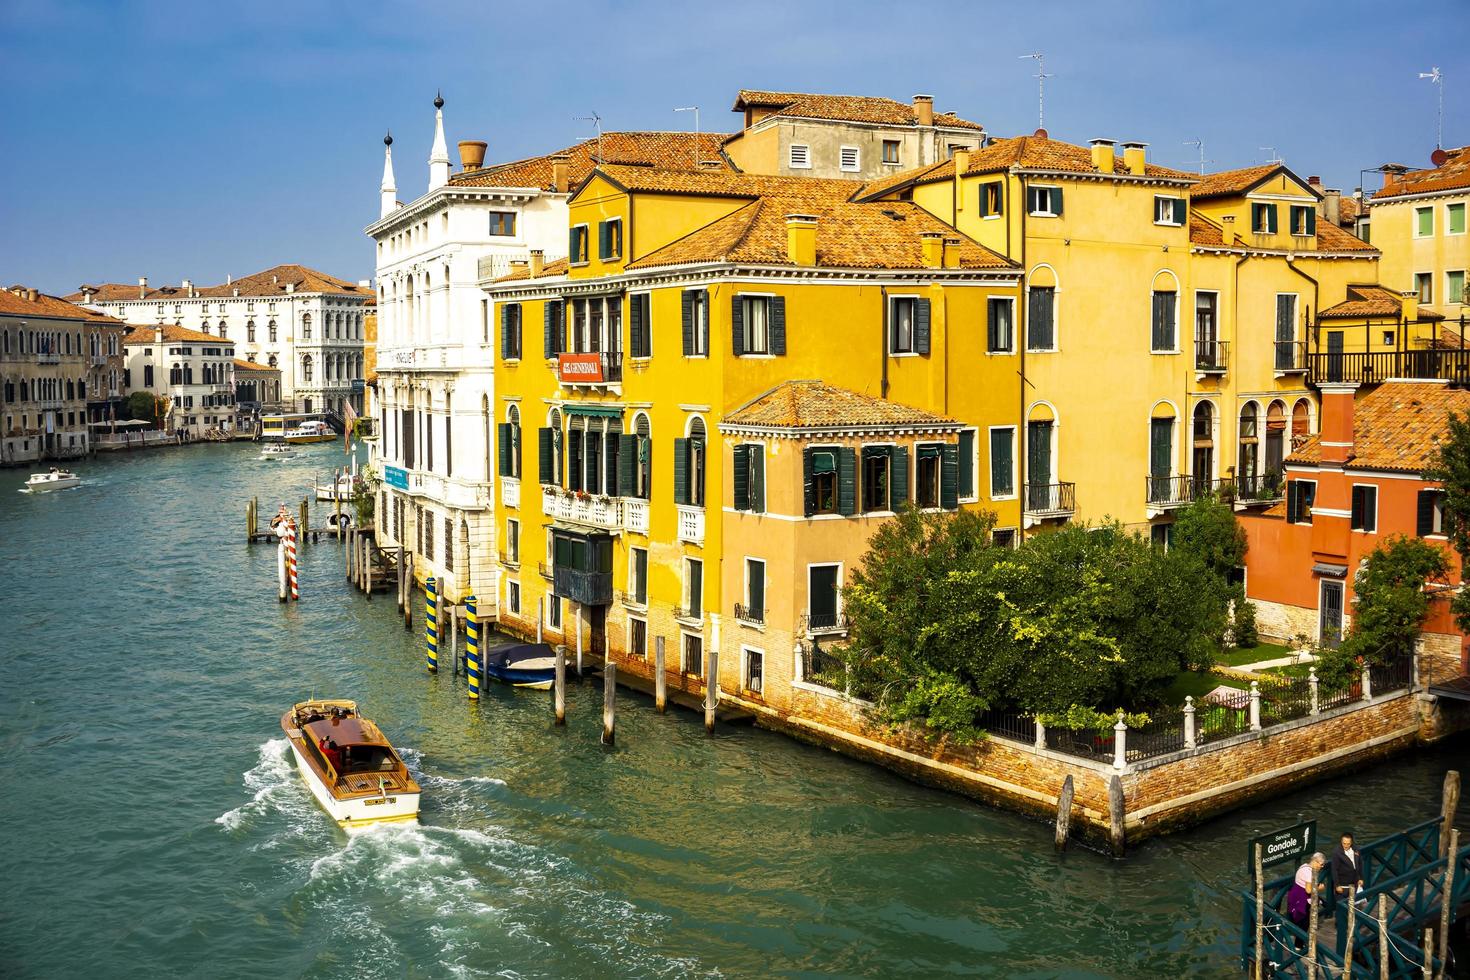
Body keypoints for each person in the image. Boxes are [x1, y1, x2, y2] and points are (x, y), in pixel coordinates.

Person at [1331, 832, 1364, 957]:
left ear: (1351, 842)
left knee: (1352, 906)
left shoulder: (1356, 850)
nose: (1345, 845)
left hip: (1354, 883)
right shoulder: (1336, 852)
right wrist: (1337, 885)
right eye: (1344, 843)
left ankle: (1350, 928)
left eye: (1348, 843)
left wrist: (1361, 878)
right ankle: (1340, 930)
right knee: (1341, 909)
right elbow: (1334, 870)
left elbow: (1359, 865)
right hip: (1342, 884)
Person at [1287, 852, 1326, 947]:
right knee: (1304, 923)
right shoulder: (1309, 873)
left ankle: (1297, 941)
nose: (1322, 867)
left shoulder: (1304, 866)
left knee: (1302, 921)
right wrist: (1319, 888)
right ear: (1315, 862)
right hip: (1301, 899)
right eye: (1321, 865)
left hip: (1296, 896)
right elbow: (1309, 890)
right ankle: (1298, 946)